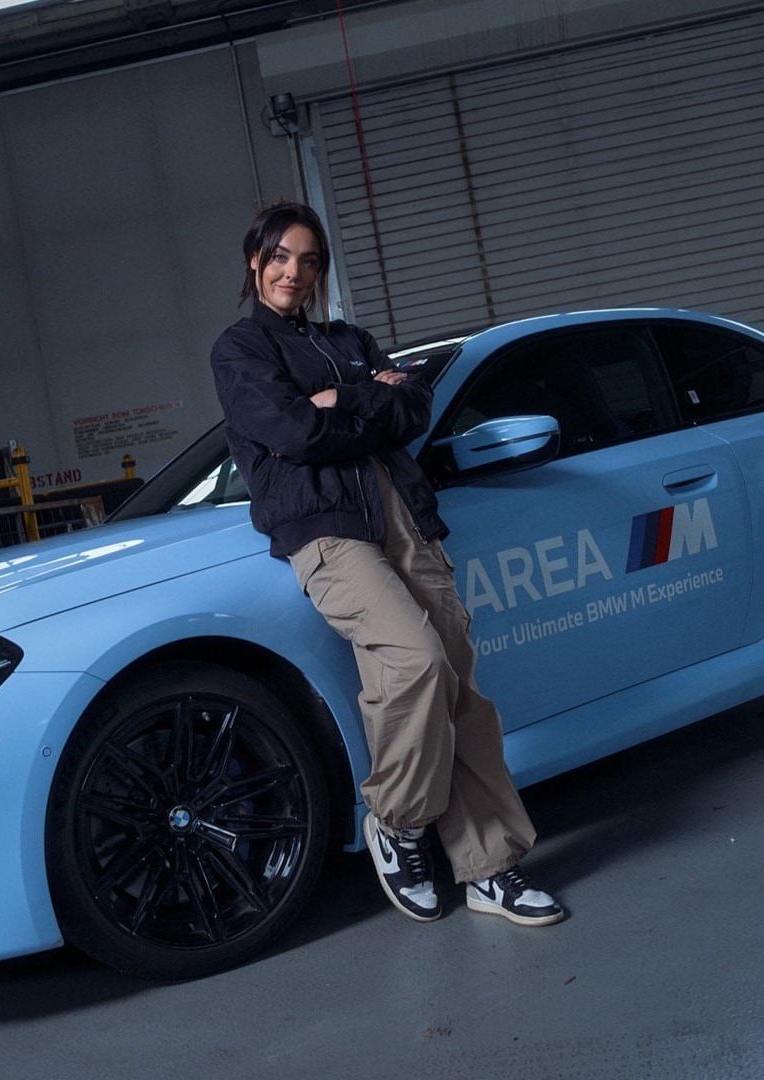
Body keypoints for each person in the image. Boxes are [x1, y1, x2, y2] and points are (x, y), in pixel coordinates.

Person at [209, 200, 564, 927]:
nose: (293, 272)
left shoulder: (350, 338)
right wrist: (365, 401)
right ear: (255, 261)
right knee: (416, 663)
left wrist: (347, 395)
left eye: (308, 261)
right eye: (279, 257)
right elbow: (295, 431)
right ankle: (398, 820)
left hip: (402, 511)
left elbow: (416, 410)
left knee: (459, 683)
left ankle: (490, 867)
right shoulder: (240, 351)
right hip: (325, 526)